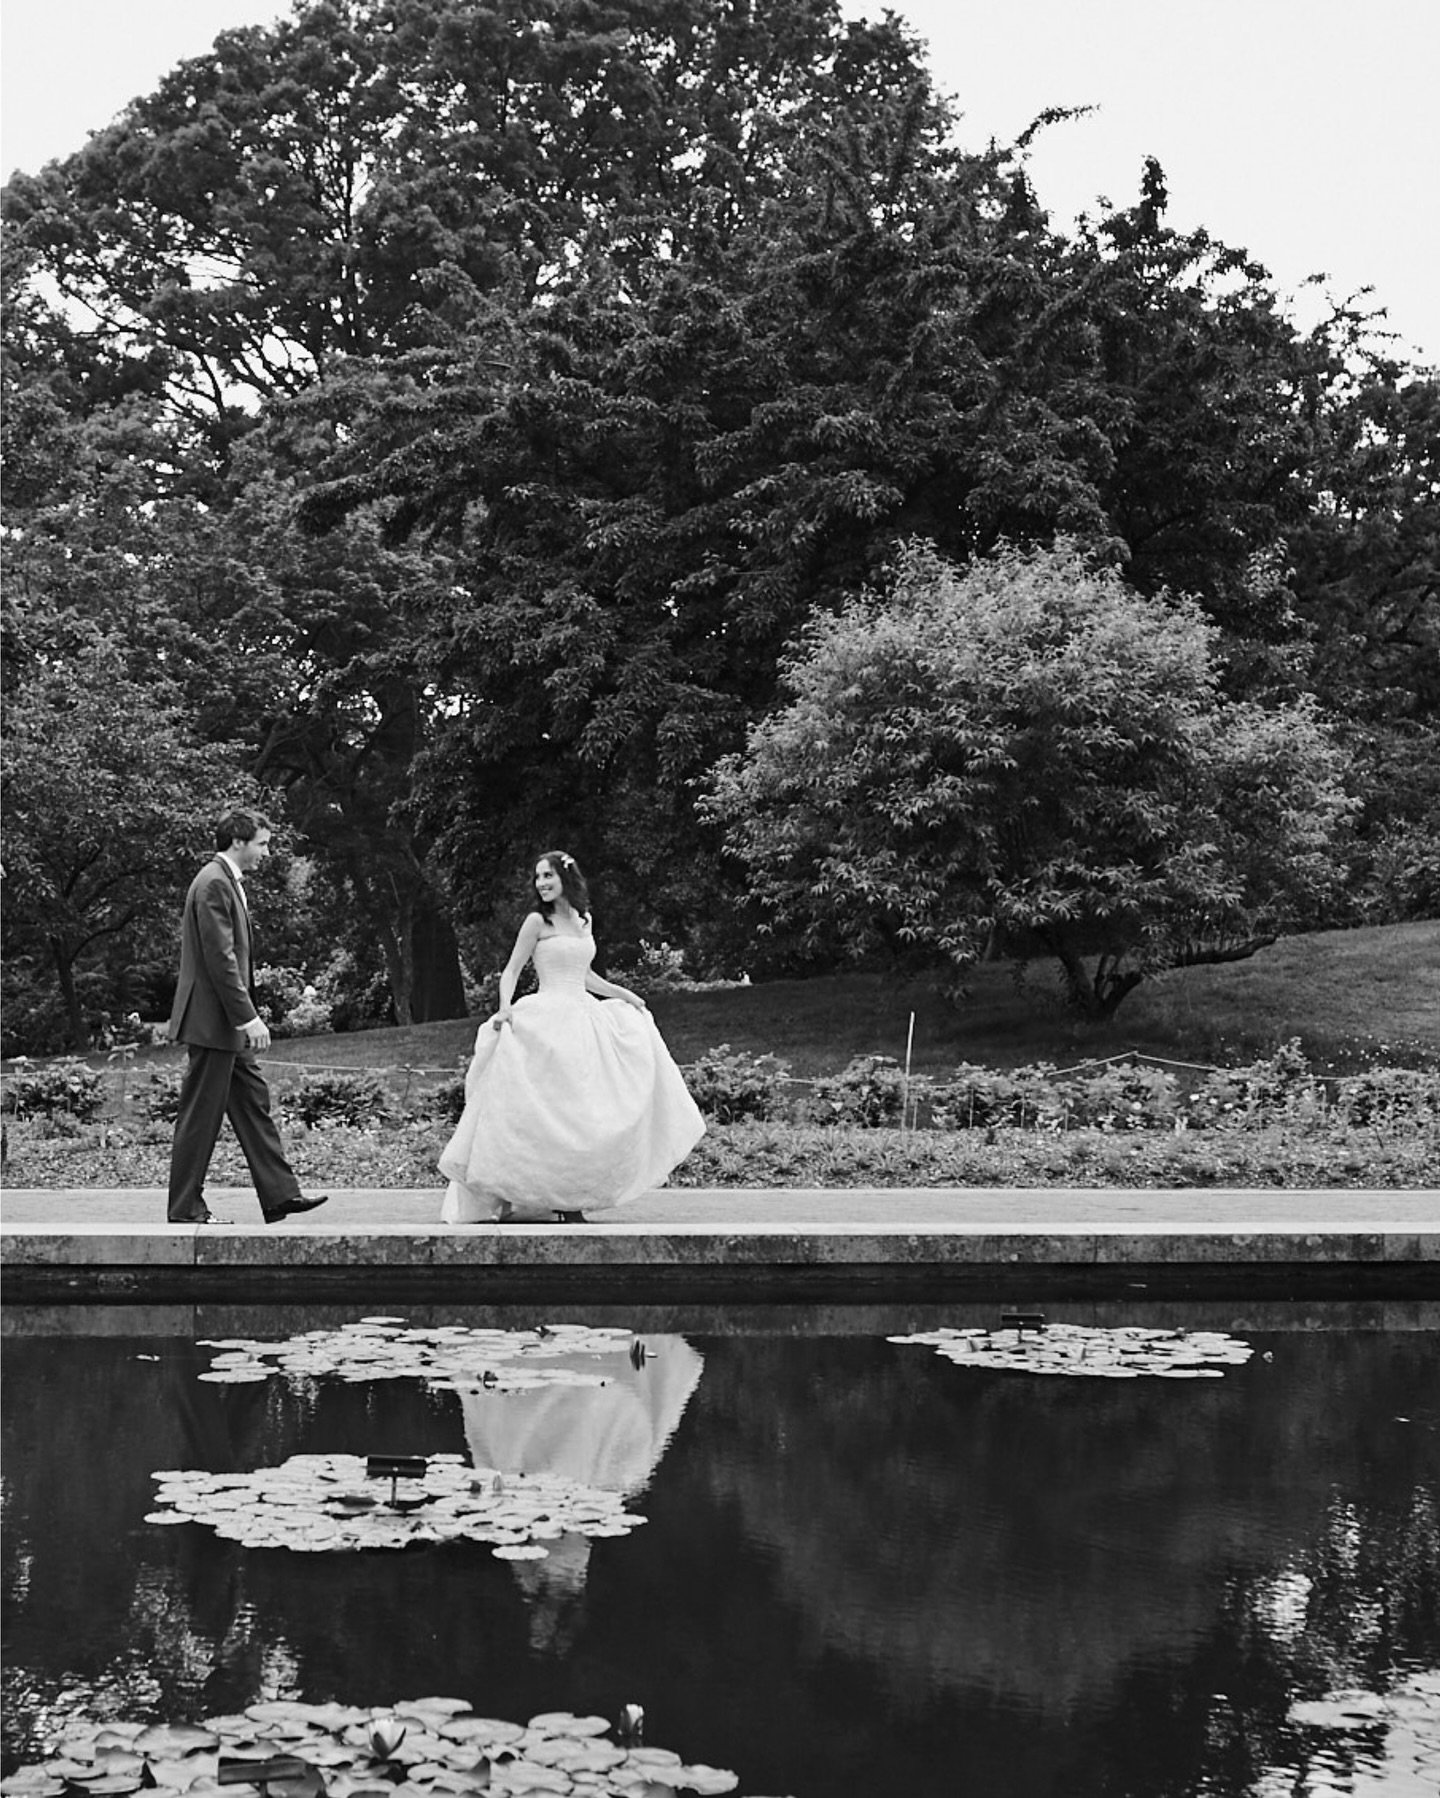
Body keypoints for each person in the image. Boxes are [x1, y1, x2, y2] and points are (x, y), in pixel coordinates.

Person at [439, 851, 706, 1222]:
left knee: (582, 1112)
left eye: (547, 876)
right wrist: (505, 1006)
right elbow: (512, 970)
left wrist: (624, 995)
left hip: (583, 1016)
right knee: (547, 1112)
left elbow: (586, 975)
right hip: (547, 1016)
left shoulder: (583, 920)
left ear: (567, 877)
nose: (541, 884)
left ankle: (570, 1198)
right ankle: (543, 1198)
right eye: (537, 878)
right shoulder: (537, 921)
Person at [166, 808, 328, 1225]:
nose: (266, 851)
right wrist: (247, 1017)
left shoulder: (222, 882)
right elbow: (221, 960)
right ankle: (186, 1209)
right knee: (200, 1118)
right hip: (213, 1022)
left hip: (221, 1024)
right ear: (238, 842)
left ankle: (280, 1196)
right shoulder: (214, 883)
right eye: (262, 843)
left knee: (253, 1103)